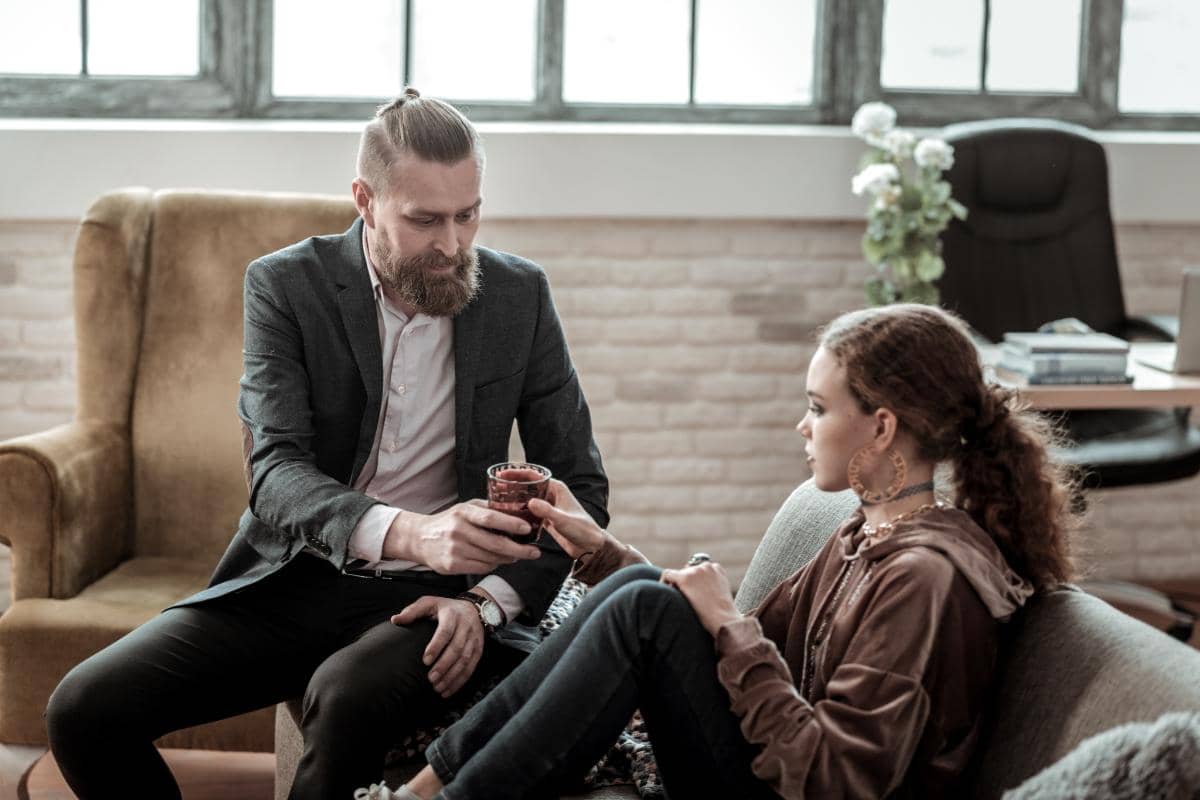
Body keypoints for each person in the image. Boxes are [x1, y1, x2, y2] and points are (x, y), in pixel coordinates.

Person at [44, 88, 608, 800]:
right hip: (296, 577)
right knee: (83, 709)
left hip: (436, 597)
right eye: (424, 219)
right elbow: (275, 472)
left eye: (468, 214)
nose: (452, 243)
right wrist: (412, 533)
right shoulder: (285, 285)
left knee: (343, 697)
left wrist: (488, 603)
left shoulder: (519, 296)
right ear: (365, 201)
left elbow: (582, 488)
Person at [391, 303, 1079, 800]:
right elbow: (718, 636)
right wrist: (603, 554)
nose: (801, 426)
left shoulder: (923, 579)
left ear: (881, 427)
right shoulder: (867, 534)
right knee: (643, 600)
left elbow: (833, 781)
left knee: (644, 612)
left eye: (817, 406)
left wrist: (730, 623)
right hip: (775, 772)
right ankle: (427, 789)